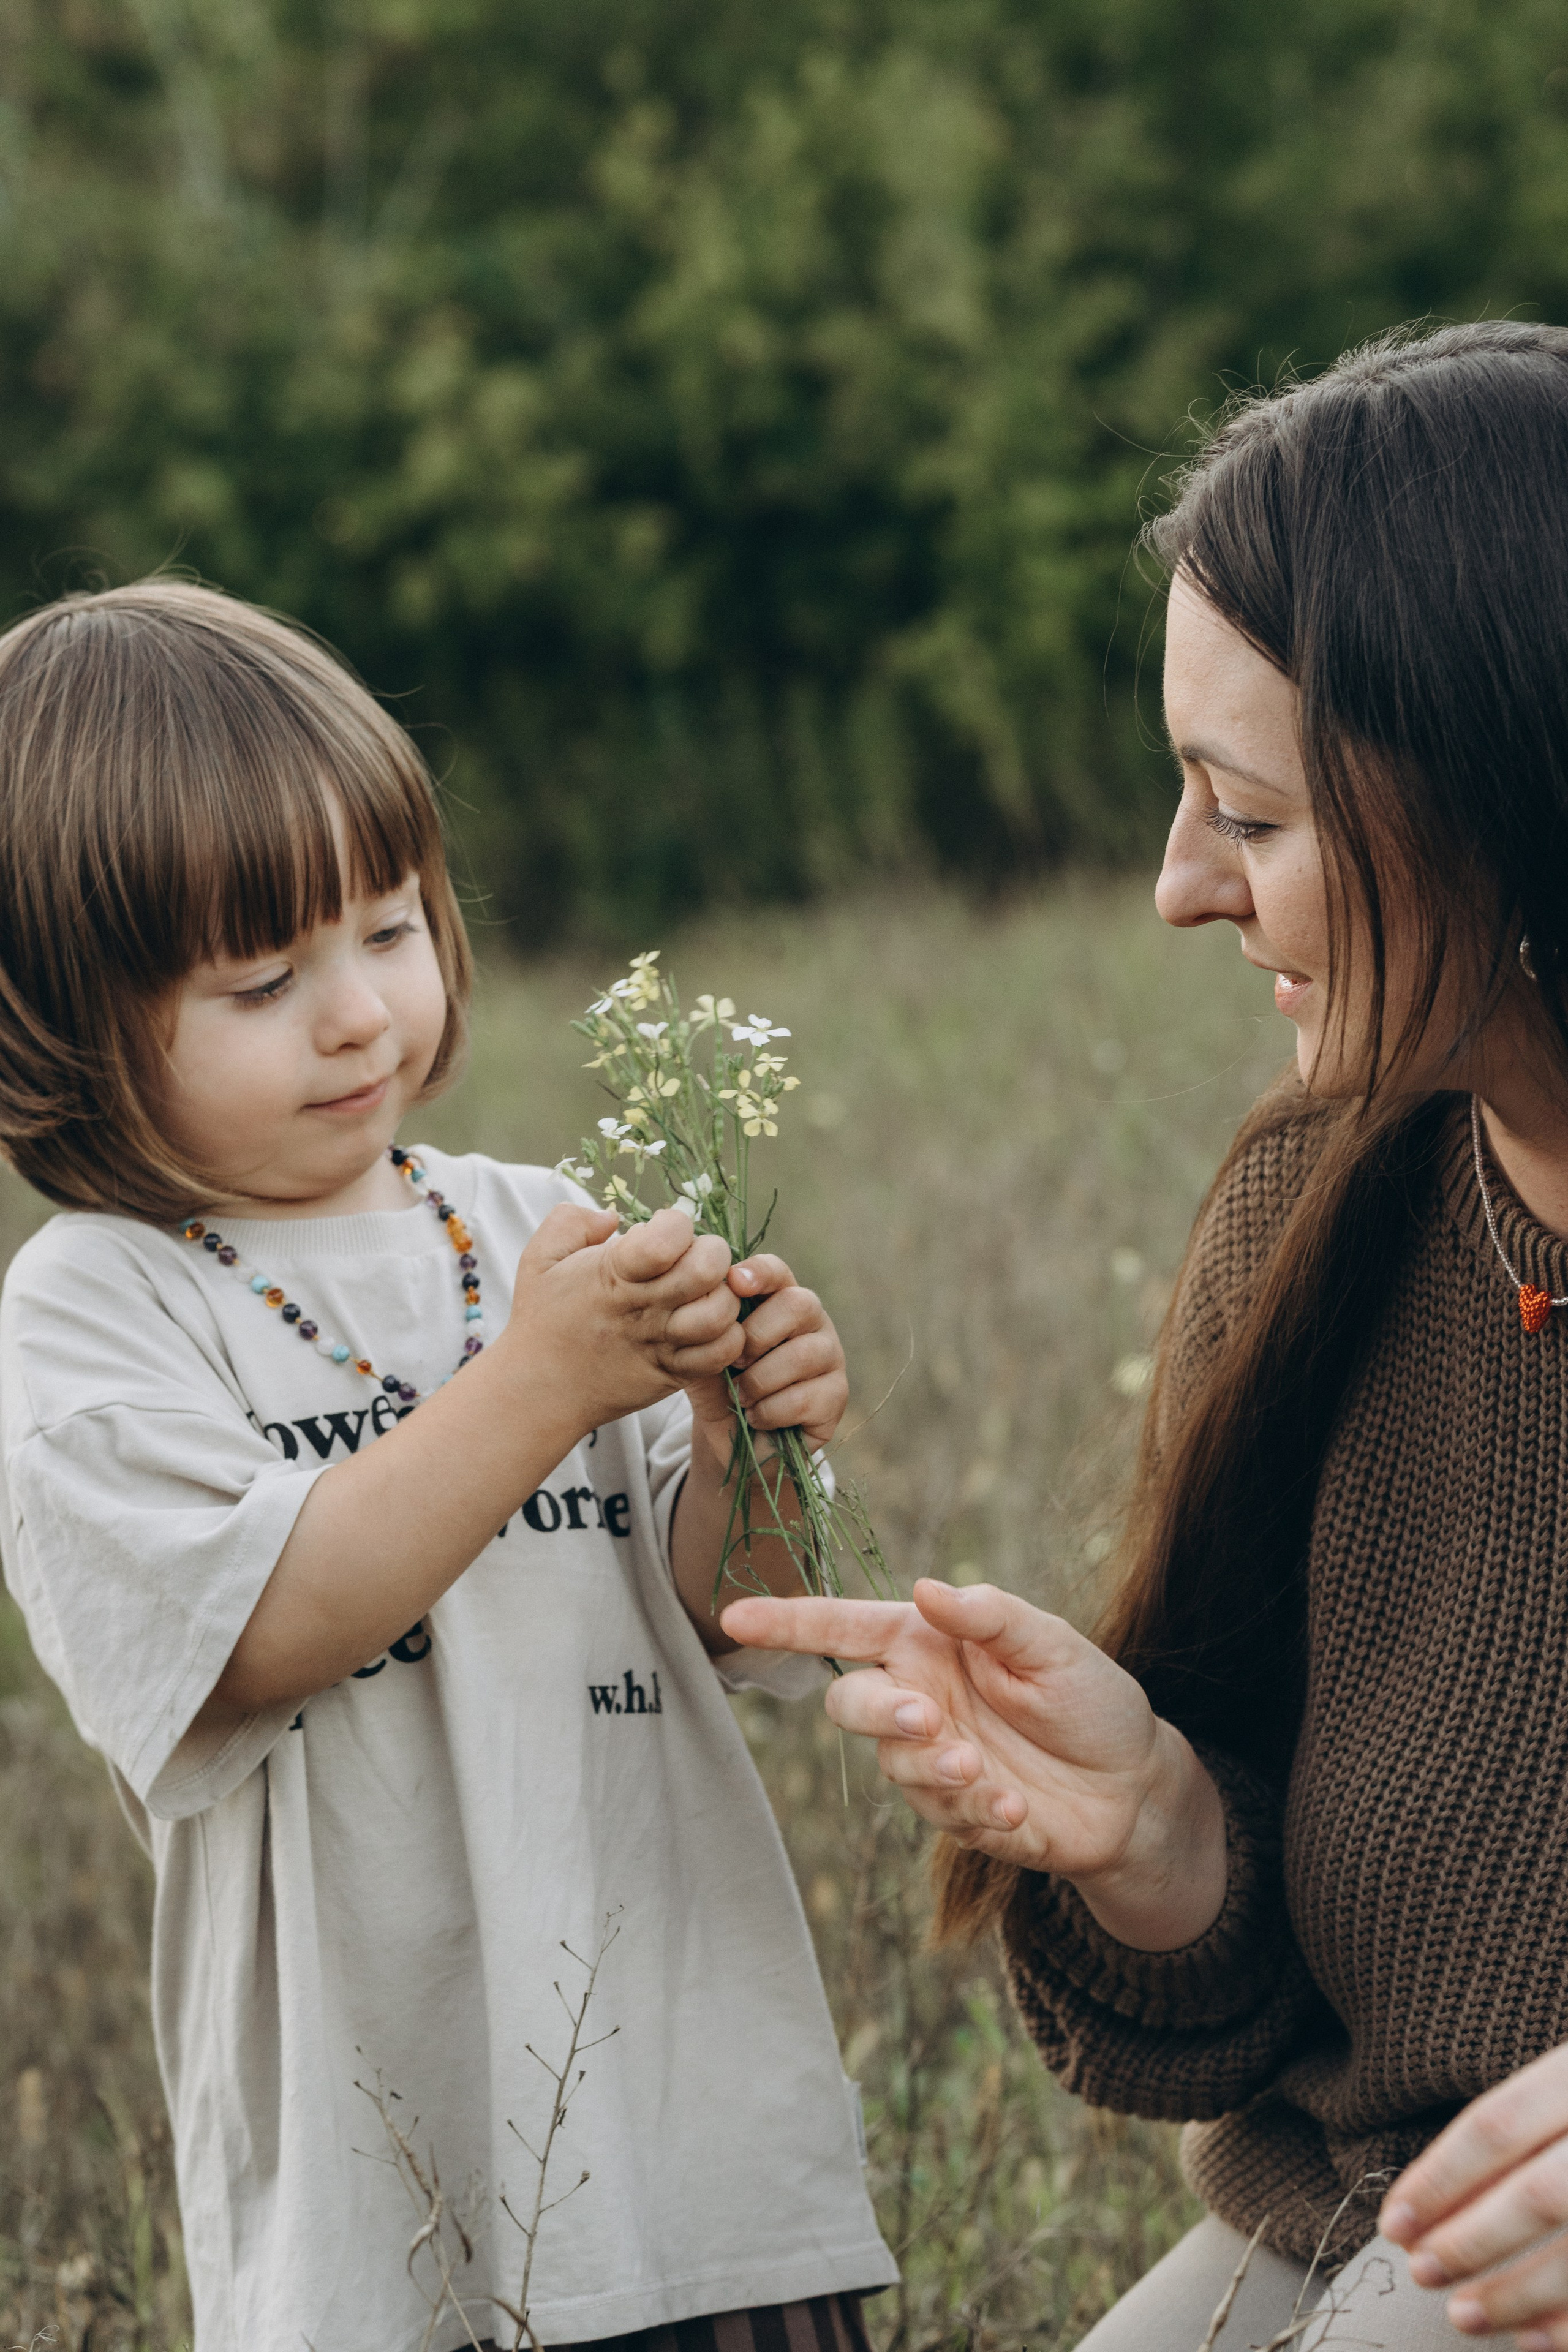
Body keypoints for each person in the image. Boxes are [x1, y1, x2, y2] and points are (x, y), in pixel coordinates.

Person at [723, 320, 1568, 2350]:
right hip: (1364, 2207)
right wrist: (1161, 1833)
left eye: (1248, 815)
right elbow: (1285, 2005)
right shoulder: (1313, 1218)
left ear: (1503, 797)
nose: (1180, 889)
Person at [0, 581, 896, 2351]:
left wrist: (745, 1437)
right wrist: (539, 1381)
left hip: (692, 2136)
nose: (357, 1016)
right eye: (262, 979)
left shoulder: (533, 1225)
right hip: (388, 2177)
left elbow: (732, 1617)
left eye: (392, 929)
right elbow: (259, 1634)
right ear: (62, 1022)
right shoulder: (100, 1310)